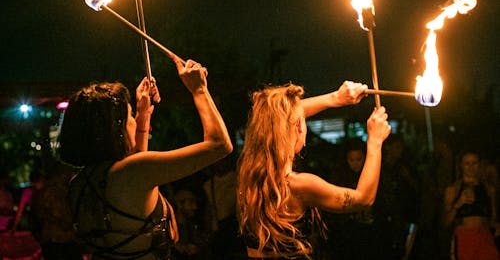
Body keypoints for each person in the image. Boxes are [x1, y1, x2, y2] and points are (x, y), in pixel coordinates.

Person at [59, 58, 233, 260]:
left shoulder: (78, 183)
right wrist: (199, 89)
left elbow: (135, 186)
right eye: (130, 115)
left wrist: (143, 113)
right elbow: (219, 145)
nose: (133, 121)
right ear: (117, 128)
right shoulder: (133, 172)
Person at [236, 81, 391, 259]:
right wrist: (375, 142)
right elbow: (363, 199)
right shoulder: (299, 186)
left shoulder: (248, 173)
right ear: (300, 127)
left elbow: (273, 117)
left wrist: (336, 98)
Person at [443, 149, 500, 260]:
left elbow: (493, 218)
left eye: (474, 163)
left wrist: (496, 225)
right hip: (465, 237)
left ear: (479, 165)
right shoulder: (453, 189)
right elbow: (445, 222)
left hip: (485, 238)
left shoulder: (489, 189)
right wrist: (458, 204)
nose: (471, 167)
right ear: (461, 165)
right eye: (467, 163)